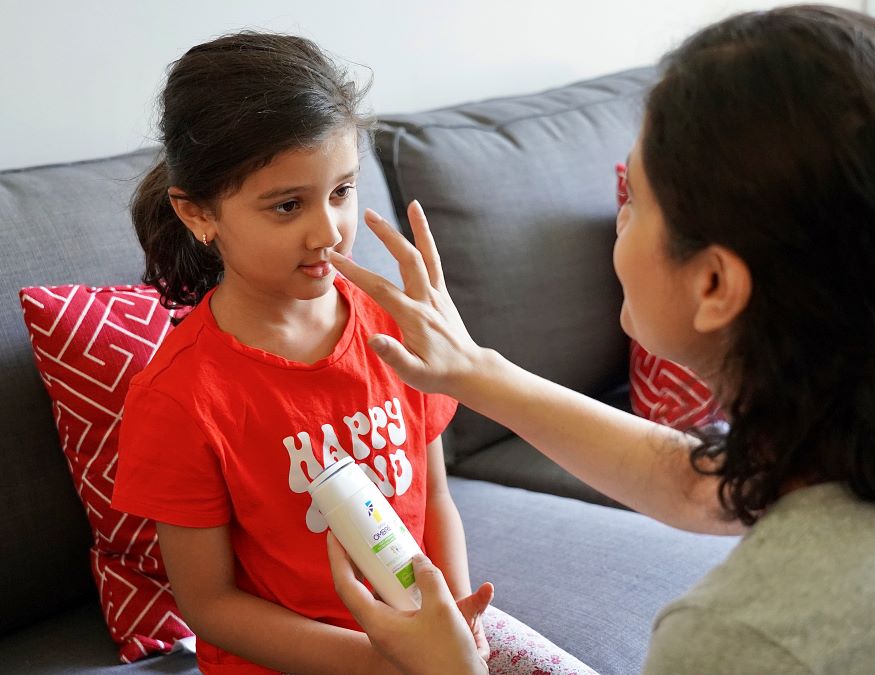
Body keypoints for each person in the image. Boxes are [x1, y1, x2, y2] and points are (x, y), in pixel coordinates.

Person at [325, 6, 875, 674]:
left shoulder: (735, 637)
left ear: (713, 284)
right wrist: (474, 371)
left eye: (636, 201)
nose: (619, 216)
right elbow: (699, 485)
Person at [111, 32, 593, 675]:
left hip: (427, 636)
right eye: (287, 206)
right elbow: (210, 605)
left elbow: (435, 500)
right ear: (199, 215)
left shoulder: (395, 326)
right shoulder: (179, 396)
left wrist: (453, 619)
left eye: (341, 191)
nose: (329, 231)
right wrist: (379, 662)